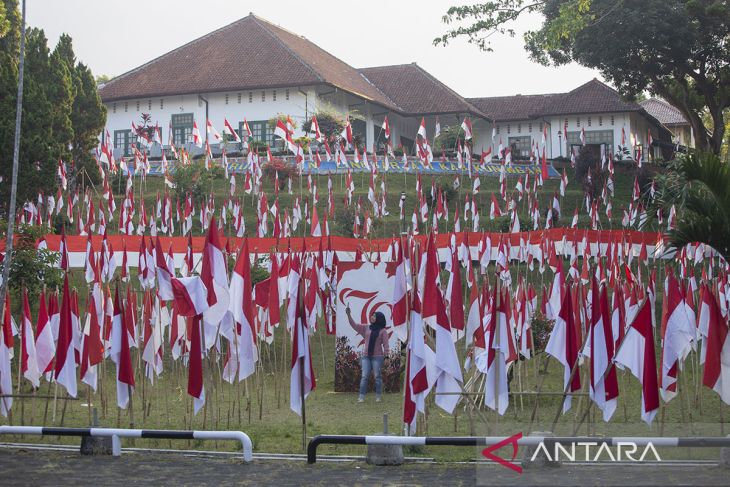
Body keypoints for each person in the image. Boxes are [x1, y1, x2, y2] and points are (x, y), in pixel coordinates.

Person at [345, 305, 389, 403]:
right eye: (372, 315)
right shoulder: (366, 328)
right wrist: (349, 315)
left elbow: (386, 345)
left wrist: (386, 357)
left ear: (379, 319)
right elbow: (354, 325)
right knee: (364, 376)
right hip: (366, 357)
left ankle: (378, 396)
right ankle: (361, 397)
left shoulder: (383, 331)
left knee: (377, 376)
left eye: (374, 316)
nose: (372, 317)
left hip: (377, 357)